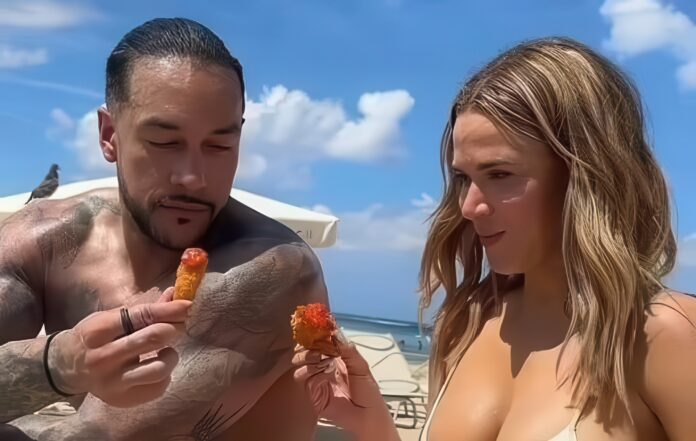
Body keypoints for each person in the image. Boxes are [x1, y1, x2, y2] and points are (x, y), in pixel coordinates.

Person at [294, 37, 696, 440]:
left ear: (585, 177)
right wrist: (371, 421)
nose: (469, 207)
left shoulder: (663, 336)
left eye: (500, 175)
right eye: (463, 178)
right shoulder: (467, 321)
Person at [1, 18, 328, 440]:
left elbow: (96, 436)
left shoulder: (272, 269)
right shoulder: (48, 240)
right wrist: (57, 363)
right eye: (165, 142)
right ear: (109, 135)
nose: (192, 177)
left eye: (219, 146)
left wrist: (53, 370)